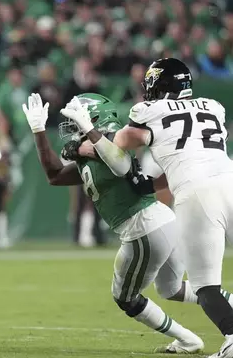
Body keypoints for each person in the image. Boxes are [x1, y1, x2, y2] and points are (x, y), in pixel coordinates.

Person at [61, 58, 233, 358]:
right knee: (188, 286)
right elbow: (189, 154)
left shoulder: (148, 111)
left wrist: (83, 138)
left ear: (160, 87)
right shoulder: (213, 106)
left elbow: (118, 146)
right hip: (228, 181)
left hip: (197, 196)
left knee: (206, 286)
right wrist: (151, 185)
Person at [23, 92, 216, 353]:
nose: (71, 129)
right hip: (161, 221)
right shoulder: (90, 150)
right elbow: (54, 175)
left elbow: (119, 161)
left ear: (93, 119)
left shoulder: (114, 139)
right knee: (171, 289)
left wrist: (84, 142)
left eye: (76, 121)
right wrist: (38, 130)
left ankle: (189, 340)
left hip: (142, 226)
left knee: (124, 298)